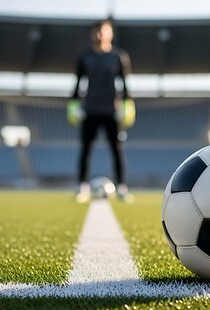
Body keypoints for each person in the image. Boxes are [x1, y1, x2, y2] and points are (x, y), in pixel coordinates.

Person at [70, 19, 134, 203]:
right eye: (96, 32)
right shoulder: (85, 57)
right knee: (86, 149)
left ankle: (122, 187)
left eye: (103, 31)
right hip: (89, 110)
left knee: (116, 149)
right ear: (92, 34)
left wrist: (127, 105)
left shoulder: (119, 57)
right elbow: (78, 84)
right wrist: (73, 105)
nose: (99, 35)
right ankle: (81, 186)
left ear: (110, 34)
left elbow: (124, 84)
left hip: (111, 111)